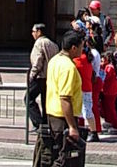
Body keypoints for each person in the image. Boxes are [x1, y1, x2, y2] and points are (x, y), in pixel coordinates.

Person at [44, 29, 85, 164]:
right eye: (81, 46)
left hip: (52, 113)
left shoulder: (54, 60)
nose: (82, 49)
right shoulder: (68, 67)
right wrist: (72, 126)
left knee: (56, 155)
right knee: (64, 158)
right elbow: (65, 98)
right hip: (63, 116)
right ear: (73, 48)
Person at [26, 22, 59, 131]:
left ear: (39, 32)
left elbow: (38, 61)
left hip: (40, 76)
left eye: (33, 31)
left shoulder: (39, 43)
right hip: (50, 77)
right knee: (46, 101)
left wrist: (32, 75)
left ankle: (38, 123)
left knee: (28, 98)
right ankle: (46, 123)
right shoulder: (53, 44)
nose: (32, 34)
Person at [74, 35, 99, 142]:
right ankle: (91, 131)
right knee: (85, 111)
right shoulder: (86, 58)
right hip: (86, 87)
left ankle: (93, 132)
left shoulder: (80, 59)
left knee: (86, 111)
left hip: (82, 89)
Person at [99, 52, 117, 131]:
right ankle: (109, 121)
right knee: (107, 107)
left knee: (111, 108)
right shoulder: (110, 67)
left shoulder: (109, 67)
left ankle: (116, 125)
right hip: (110, 90)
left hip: (110, 91)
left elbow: (105, 77)